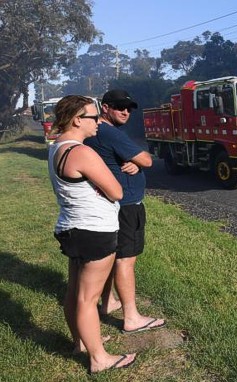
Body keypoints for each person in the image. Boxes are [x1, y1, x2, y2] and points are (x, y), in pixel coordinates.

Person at [48, 95, 137, 373]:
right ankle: (99, 359)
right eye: (92, 117)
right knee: (88, 299)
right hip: (94, 230)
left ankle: (82, 343)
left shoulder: (56, 147)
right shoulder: (82, 152)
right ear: (77, 119)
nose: (98, 122)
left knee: (74, 292)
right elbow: (117, 191)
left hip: (72, 228)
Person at [84, 89, 165, 333]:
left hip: (113, 204)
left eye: (129, 108)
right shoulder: (109, 132)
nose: (125, 111)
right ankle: (131, 317)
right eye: (119, 106)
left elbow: (138, 159)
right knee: (125, 260)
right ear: (105, 107)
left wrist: (135, 161)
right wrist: (139, 161)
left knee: (113, 256)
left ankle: (108, 302)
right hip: (127, 206)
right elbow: (148, 160)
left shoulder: (97, 132)